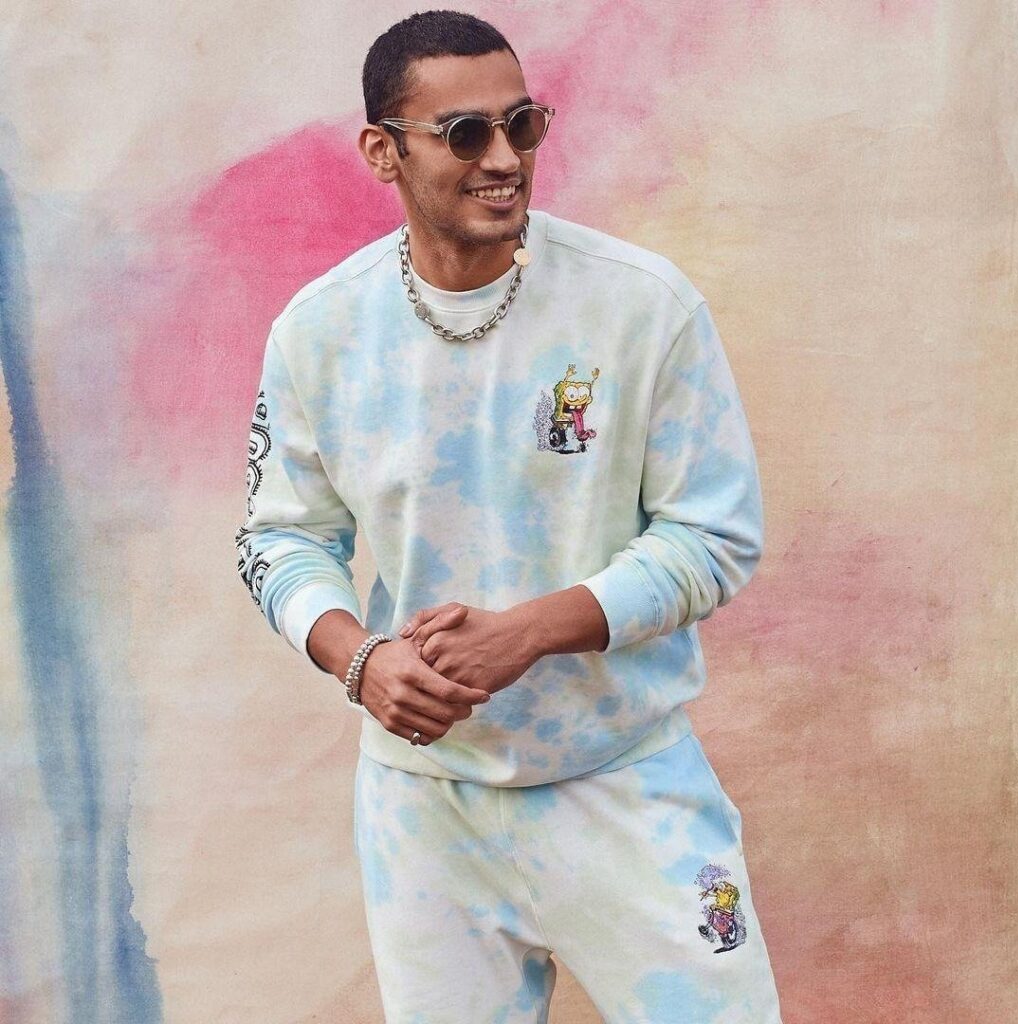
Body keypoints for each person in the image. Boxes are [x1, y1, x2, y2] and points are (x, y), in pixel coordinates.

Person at [234, 9, 784, 1022]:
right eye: (464, 134)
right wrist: (359, 658)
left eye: (520, 124)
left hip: (626, 781)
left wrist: (528, 632)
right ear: (382, 152)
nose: (503, 158)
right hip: (424, 806)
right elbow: (281, 535)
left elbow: (713, 536)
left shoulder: (640, 307)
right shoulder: (320, 331)